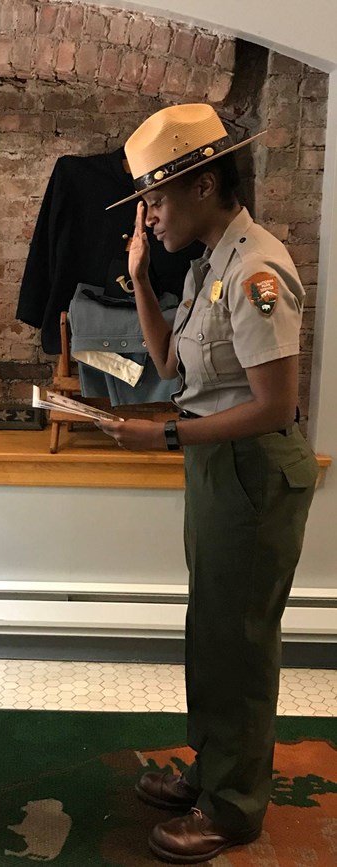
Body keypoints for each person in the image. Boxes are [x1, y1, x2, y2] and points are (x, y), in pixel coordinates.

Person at [99, 104, 318, 864]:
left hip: (253, 471)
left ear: (205, 183)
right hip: (220, 467)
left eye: (156, 199)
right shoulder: (209, 265)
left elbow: (271, 406)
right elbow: (169, 368)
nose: (149, 216)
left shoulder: (256, 270)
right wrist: (138, 283)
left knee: (242, 642)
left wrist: (160, 434)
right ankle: (213, 772)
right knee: (213, 629)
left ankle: (234, 807)